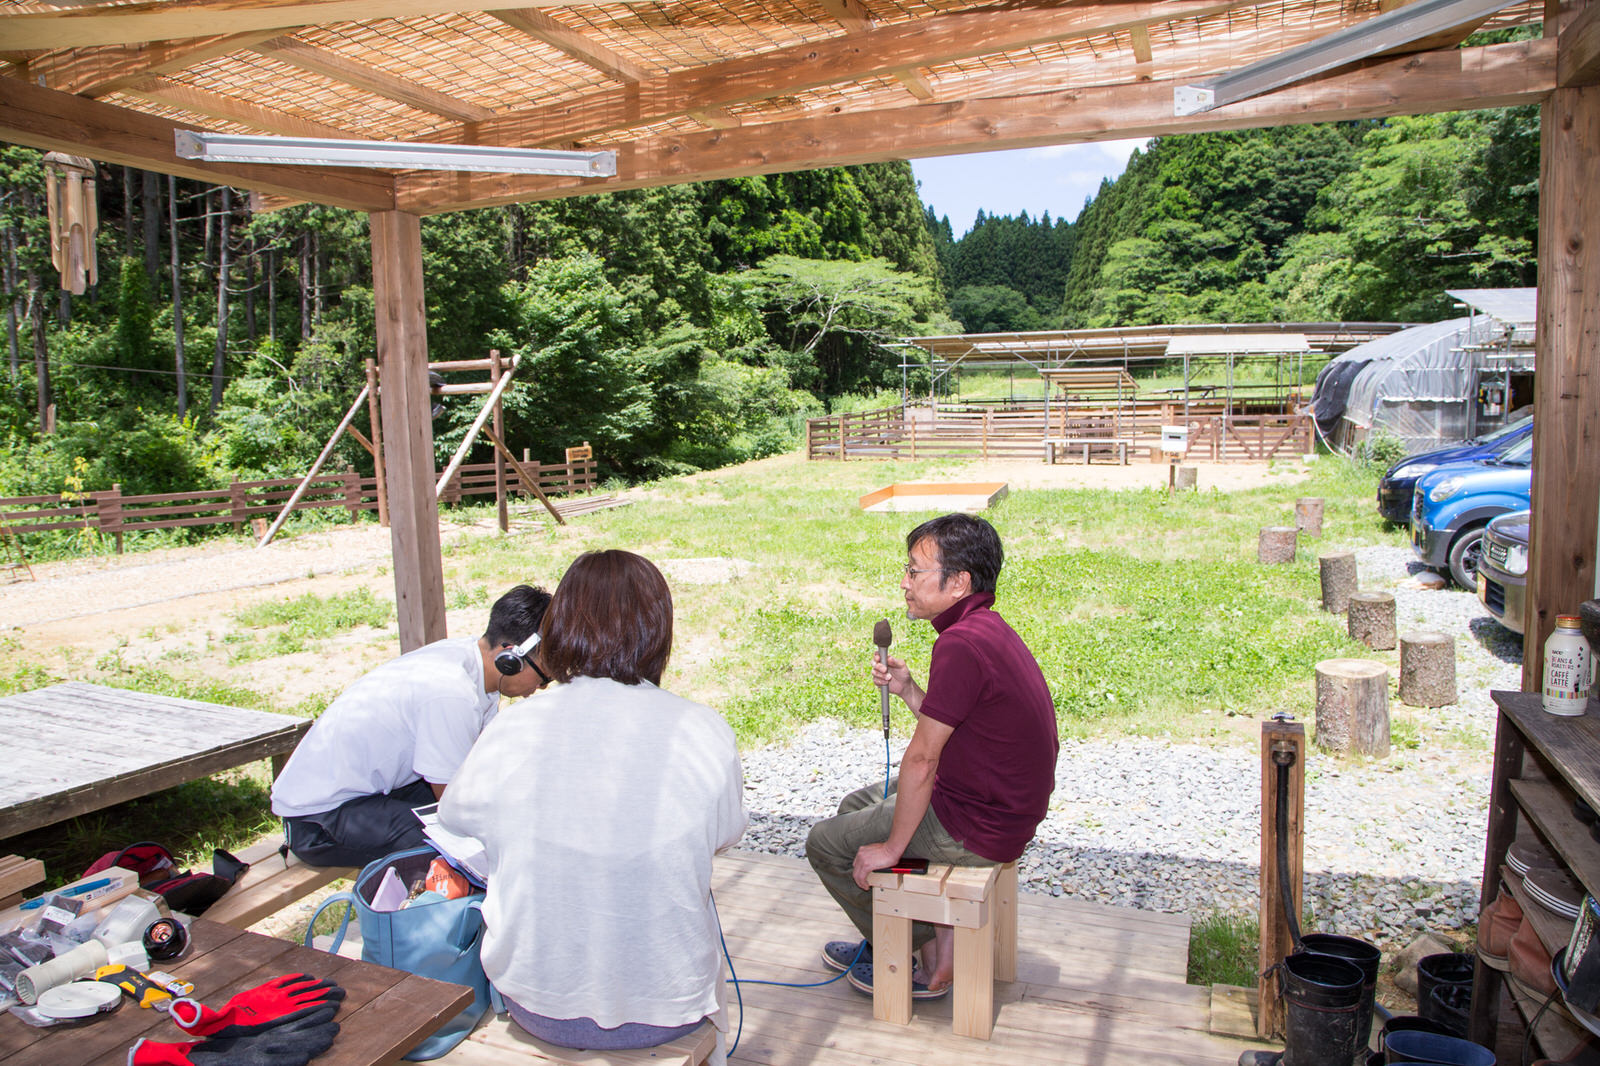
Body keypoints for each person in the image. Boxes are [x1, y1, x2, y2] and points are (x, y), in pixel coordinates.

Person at [439, 550, 745, 1062]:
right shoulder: (702, 728)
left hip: (536, 1000)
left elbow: (454, 816)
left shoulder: (516, 726)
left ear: (559, 627)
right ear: (658, 630)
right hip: (668, 1006)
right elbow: (725, 833)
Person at [806, 513, 1058, 996]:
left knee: (824, 842)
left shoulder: (961, 644)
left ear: (959, 582)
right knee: (854, 807)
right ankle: (912, 938)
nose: (904, 583)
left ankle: (913, 954)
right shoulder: (985, 628)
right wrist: (908, 691)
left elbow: (922, 761)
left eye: (915, 572)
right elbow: (964, 726)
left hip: (976, 823)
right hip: (999, 804)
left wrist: (892, 848)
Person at [270, 584, 552, 868]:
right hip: (318, 819)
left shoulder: (472, 664)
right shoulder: (452, 693)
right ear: (509, 658)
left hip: (371, 792)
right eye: (542, 676)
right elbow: (454, 807)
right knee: (456, 851)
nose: (540, 687)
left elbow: (481, 769)